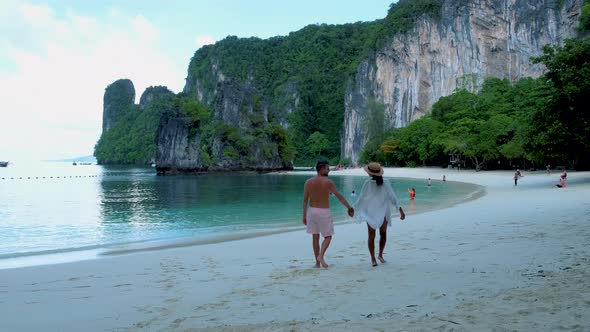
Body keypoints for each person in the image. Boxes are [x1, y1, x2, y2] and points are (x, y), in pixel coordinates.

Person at [303, 160, 354, 268]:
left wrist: (304, 216)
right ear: (321, 169)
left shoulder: (308, 182)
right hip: (323, 211)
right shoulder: (328, 182)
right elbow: (339, 196)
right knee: (328, 236)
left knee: (315, 237)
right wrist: (349, 207)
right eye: (327, 168)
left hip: (311, 211)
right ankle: (320, 256)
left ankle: (317, 264)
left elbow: (305, 201)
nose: (329, 170)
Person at [353, 162, 405, 267]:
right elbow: (392, 196)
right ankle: (377, 256)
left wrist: (353, 208)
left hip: (375, 211)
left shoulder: (380, 183)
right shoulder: (368, 183)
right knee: (382, 234)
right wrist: (400, 209)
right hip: (375, 211)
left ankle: (375, 257)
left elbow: (361, 198)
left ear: (370, 173)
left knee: (373, 235)